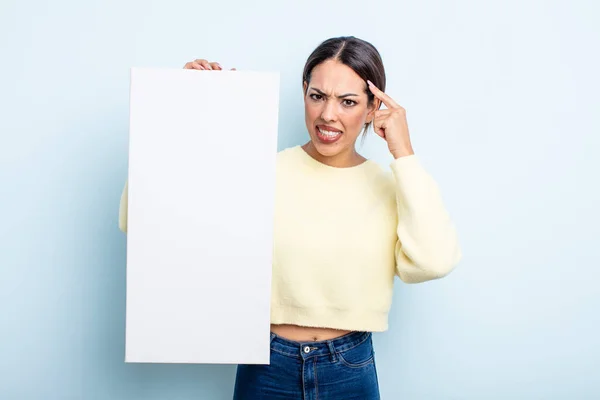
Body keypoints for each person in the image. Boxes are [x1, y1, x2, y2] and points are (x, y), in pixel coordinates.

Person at [118, 36, 461, 399]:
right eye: (318, 96)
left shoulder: (392, 186)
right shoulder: (258, 170)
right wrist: (181, 112)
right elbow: (139, 221)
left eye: (348, 102)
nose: (328, 114)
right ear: (304, 92)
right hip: (265, 365)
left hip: (349, 368)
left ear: (374, 106)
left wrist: (403, 152)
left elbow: (432, 262)